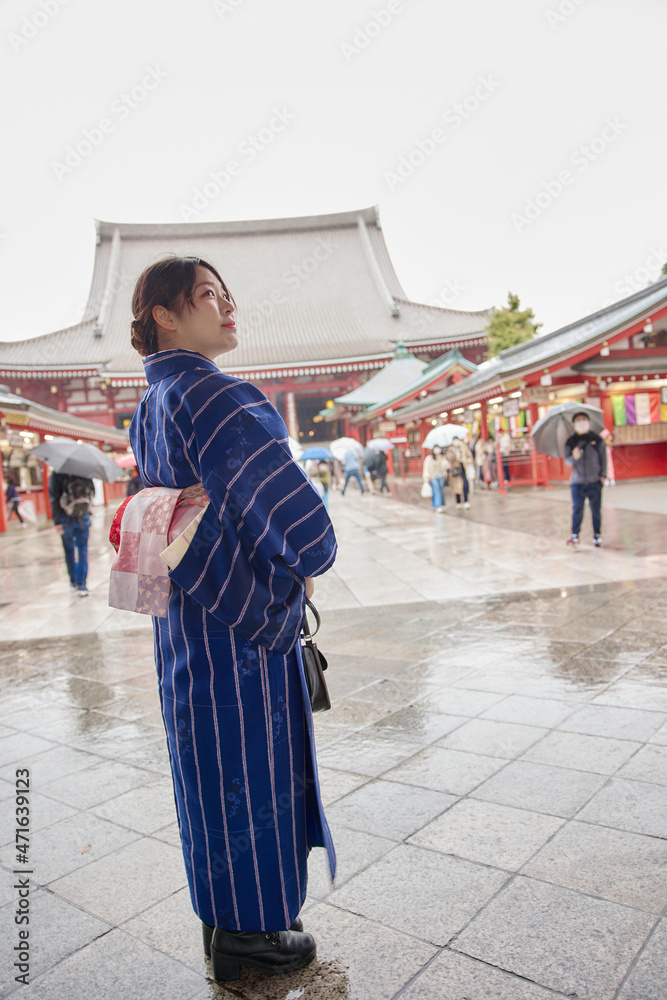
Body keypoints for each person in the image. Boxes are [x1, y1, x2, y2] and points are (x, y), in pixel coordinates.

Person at [127, 256, 337, 983]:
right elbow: (279, 501)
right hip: (240, 619)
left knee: (204, 762)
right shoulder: (216, 396)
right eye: (209, 295)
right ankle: (252, 934)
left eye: (226, 295)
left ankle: (226, 916)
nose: (229, 307)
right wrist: (312, 551)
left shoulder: (151, 403)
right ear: (164, 314)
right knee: (251, 763)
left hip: (187, 610)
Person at [564, 412, 607, 547]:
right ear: (573, 424)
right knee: (577, 508)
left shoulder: (597, 439)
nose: (581, 422)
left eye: (584, 419)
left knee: (596, 510)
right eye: (578, 420)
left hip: (595, 481)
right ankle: (575, 535)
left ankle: (597, 535)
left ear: (589, 422)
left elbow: (603, 459)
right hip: (577, 482)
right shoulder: (570, 442)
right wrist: (574, 457)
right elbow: (567, 461)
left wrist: (603, 475)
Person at [49, 472, 94, 594]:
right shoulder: (84, 473)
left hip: (65, 517)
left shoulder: (56, 475)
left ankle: (73, 581)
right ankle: (82, 583)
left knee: (69, 550)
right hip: (83, 515)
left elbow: (54, 498)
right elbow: (92, 492)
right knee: (83, 549)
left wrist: (57, 521)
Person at [422, 445, 450, 512]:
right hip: (433, 477)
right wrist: (426, 479)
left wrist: (442, 459)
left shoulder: (442, 458)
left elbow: (447, 466)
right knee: (436, 491)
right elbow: (426, 468)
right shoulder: (429, 458)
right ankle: (437, 505)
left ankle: (441, 504)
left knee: (441, 491)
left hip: (441, 476)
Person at [446, 438, 470, 509]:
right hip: (455, 469)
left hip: (463, 468)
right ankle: (458, 501)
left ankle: (466, 501)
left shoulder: (463, 447)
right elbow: (449, 459)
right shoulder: (450, 450)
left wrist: (466, 460)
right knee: (456, 486)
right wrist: (453, 453)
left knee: (465, 485)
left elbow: (469, 456)